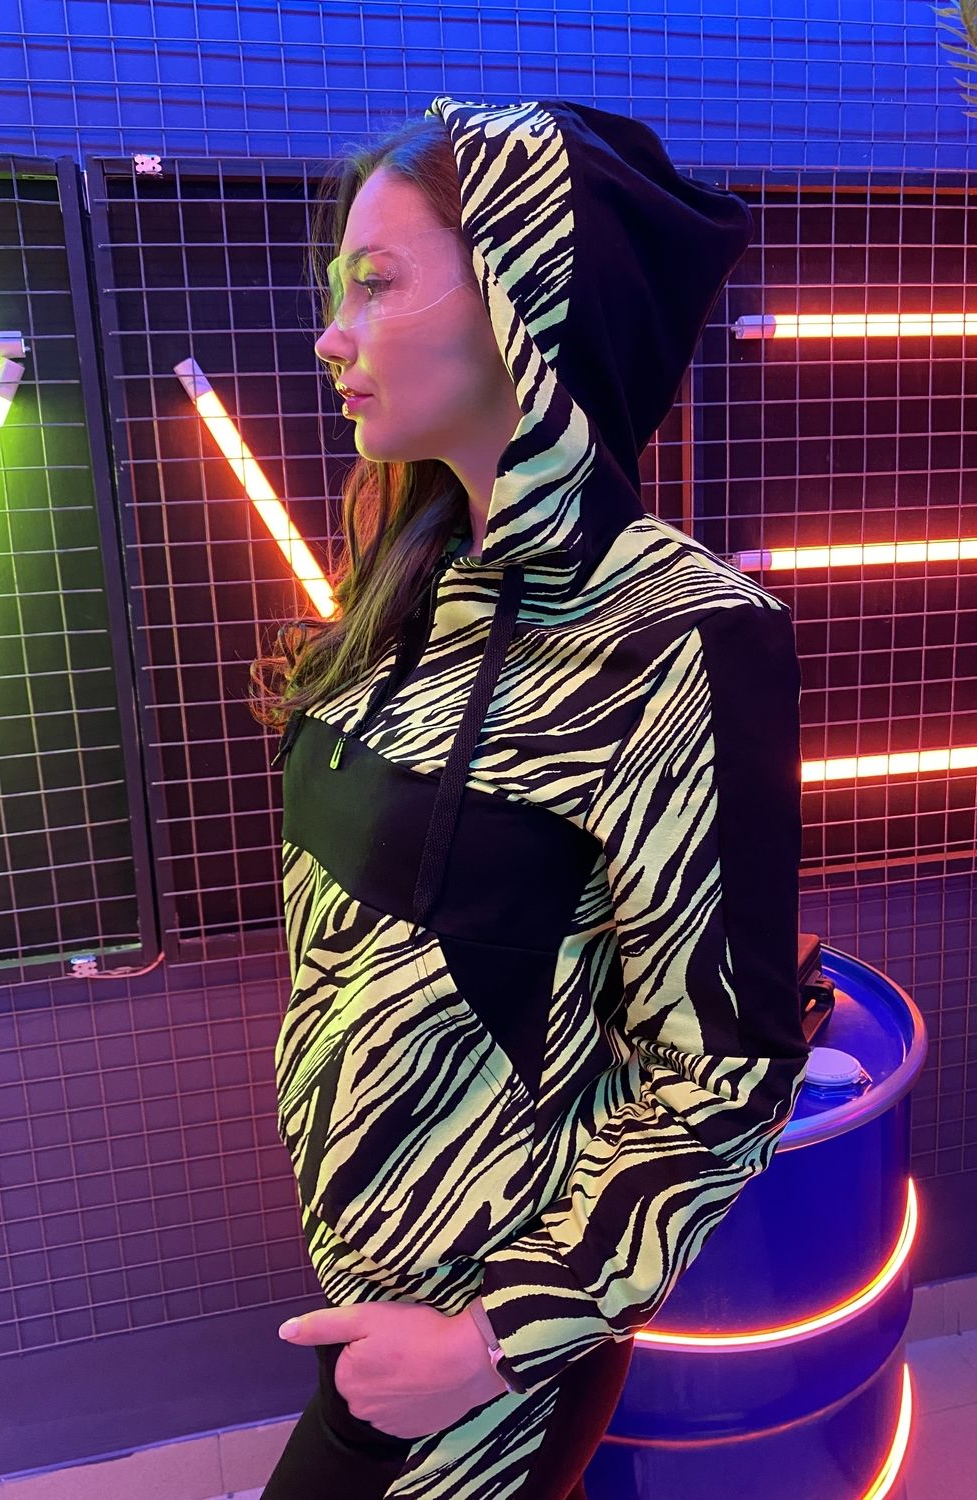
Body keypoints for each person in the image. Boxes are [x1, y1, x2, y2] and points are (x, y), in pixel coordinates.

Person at [250, 95, 810, 1499]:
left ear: (523, 301)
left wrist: (491, 1343)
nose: (332, 335)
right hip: (370, 1296)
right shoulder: (408, 587)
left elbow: (725, 1073)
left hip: (480, 1358)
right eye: (338, 290)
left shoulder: (677, 638)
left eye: (377, 283)